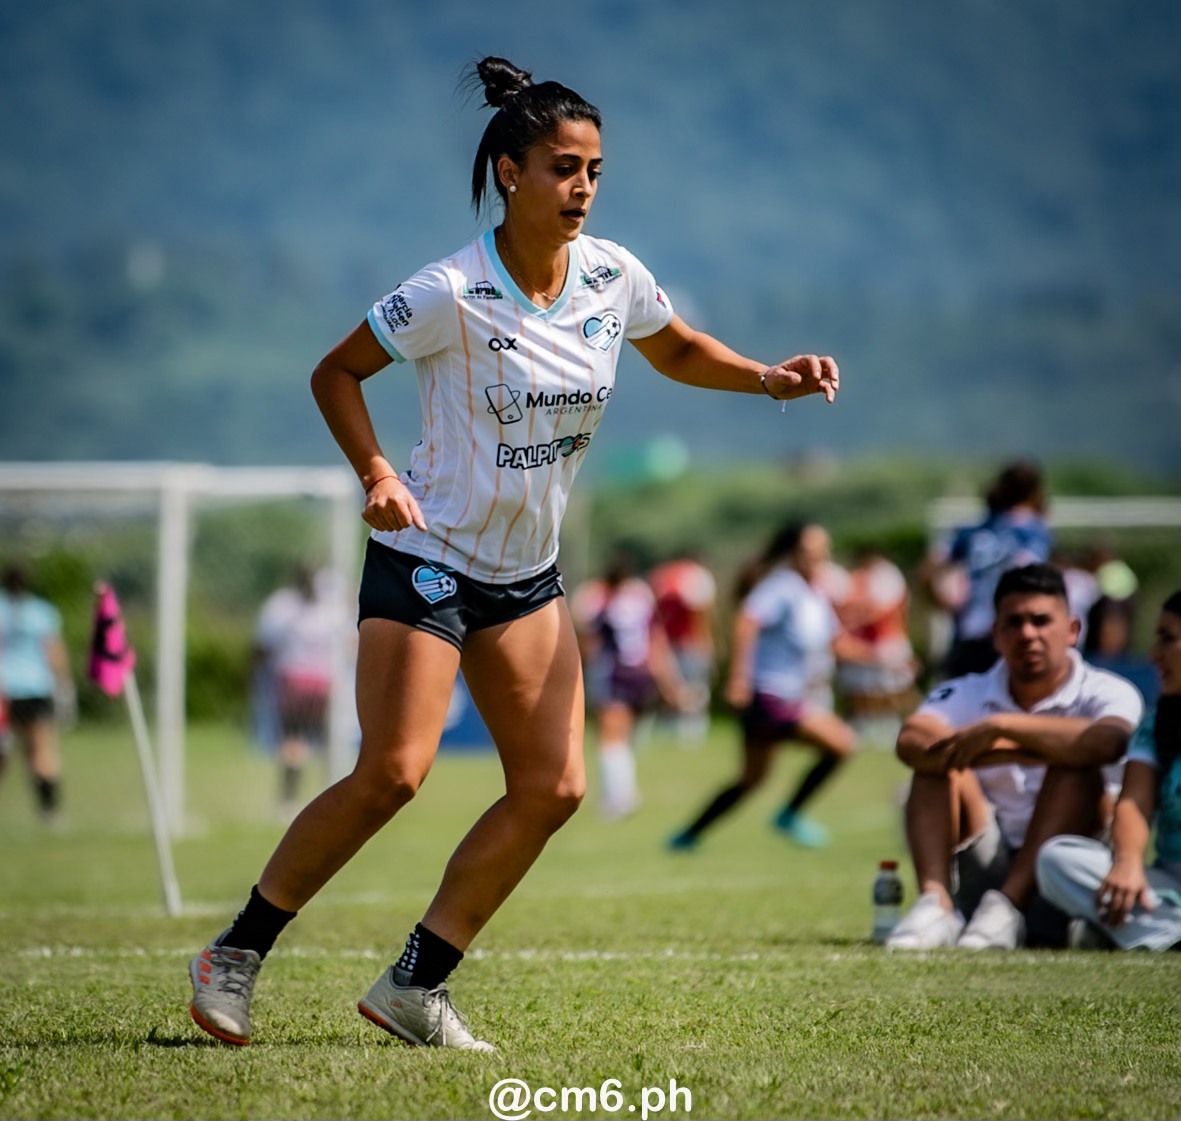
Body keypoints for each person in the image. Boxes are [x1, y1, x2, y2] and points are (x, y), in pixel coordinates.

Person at [188, 55, 841, 1052]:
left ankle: (417, 981)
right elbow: (335, 372)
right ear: (508, 170)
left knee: (556, 788)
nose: (582, 187)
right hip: (428, 557)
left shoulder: (611, 276)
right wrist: (375, 473)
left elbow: (673, 347)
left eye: (593, 171)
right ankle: (234, 952)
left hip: (526, 577)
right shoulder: (449, 290)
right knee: (393, 773)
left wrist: (767, 379)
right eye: (562, 167)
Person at [885, 564, 1143, 951]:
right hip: (986, 864)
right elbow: (912, 741)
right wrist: (1030, 745)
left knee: (1077, 770)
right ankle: (937, 903)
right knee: (933, 766)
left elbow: (1107, 743)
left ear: (1073, 629)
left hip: (1066, 869)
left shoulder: (1110, 691)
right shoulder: (966, 690)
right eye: (1015, 622)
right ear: (996, 635)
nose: (1028, 634)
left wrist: (1002, 727)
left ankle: (1009, 907)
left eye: (1041, 621)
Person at [668, 522, 859, 851]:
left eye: (823, 552)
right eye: (811, 551)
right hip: (771, 695)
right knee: (841, 743)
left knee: (751, 779)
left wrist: (887, 660)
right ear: (794, 554)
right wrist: (739, 678)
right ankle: (789, 814)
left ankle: (689, 835)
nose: (819, 558)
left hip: (784, 697)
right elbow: (747, 620)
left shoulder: (813, 594)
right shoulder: (782, 587)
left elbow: (838, 643)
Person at [1036, 591, 1180, 951]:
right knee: (1057, 860)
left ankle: (1136, 932)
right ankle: (1162, 931)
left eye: (1168, 639)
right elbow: (1133, 801)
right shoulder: (1158, 724)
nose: (1154, 655)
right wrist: (1128, 863)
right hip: (1170, 883)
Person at [572, 550, 684, 818]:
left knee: (610, 737)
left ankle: (619, 798)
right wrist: (670, 681)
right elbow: (656, 639)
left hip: (614, 672)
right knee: (627, 736)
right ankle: (624, 792)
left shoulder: (596, 597)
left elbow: (589, 642)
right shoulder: (642, 596)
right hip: (642, 672)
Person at [922, 459, 1052, 678]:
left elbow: (928, 571)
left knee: (963, 705)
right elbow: (1031, 577)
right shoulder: (1033, 529)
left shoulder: (973, 530)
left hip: (969, 633)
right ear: (1034, 491)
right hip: (1011, 635)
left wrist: (942, 603)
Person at [252, 565, 339, 821]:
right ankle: (320, 799)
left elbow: (263, 646)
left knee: (296, 743)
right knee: (308, 744)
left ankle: (292, 801)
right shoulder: (327, 608)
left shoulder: (282, 606)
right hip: (316, 682)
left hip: (298, 682)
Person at [0, 564, 74, 823]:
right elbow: (52, 650)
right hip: (36, 688)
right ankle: (49, 810)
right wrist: (64, 685)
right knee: (41, 749)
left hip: (4, 691)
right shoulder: (41, 612)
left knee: (4, 752)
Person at [834, 543, 918, 746]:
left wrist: (852, 618)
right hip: (864, 643)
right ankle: (865, 727)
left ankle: (910, 725)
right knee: (863, 690)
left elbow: (881, 609)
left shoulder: (887, 575)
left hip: (886, 641)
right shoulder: (859, 576)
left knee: (894, 690)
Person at [648, 550, 717, 744]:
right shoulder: (698, 577)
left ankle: (667, 729)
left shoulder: (662, 575)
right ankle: (691, 732)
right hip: (689, 641)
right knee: (695, 688)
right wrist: (706, 643)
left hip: (664, 642)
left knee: (669, 687)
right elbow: (701, 615)